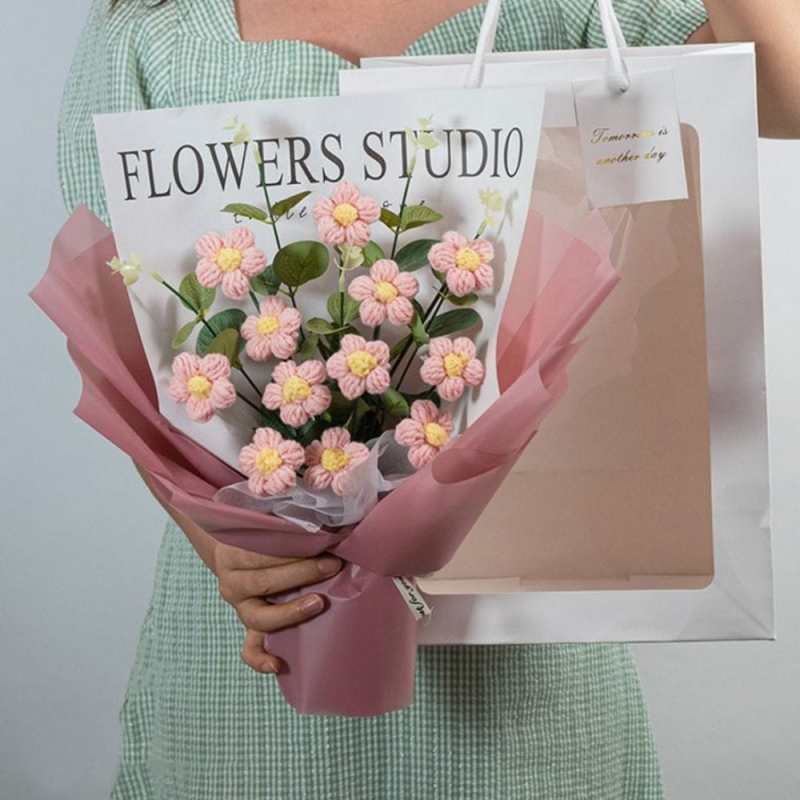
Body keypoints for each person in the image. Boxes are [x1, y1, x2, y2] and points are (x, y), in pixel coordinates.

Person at [58, 2, 800, 798]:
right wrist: (228, 555)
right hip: (265, 640)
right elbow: (132, 347)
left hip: (527, 662)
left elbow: (786, 90)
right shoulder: (153, 30)